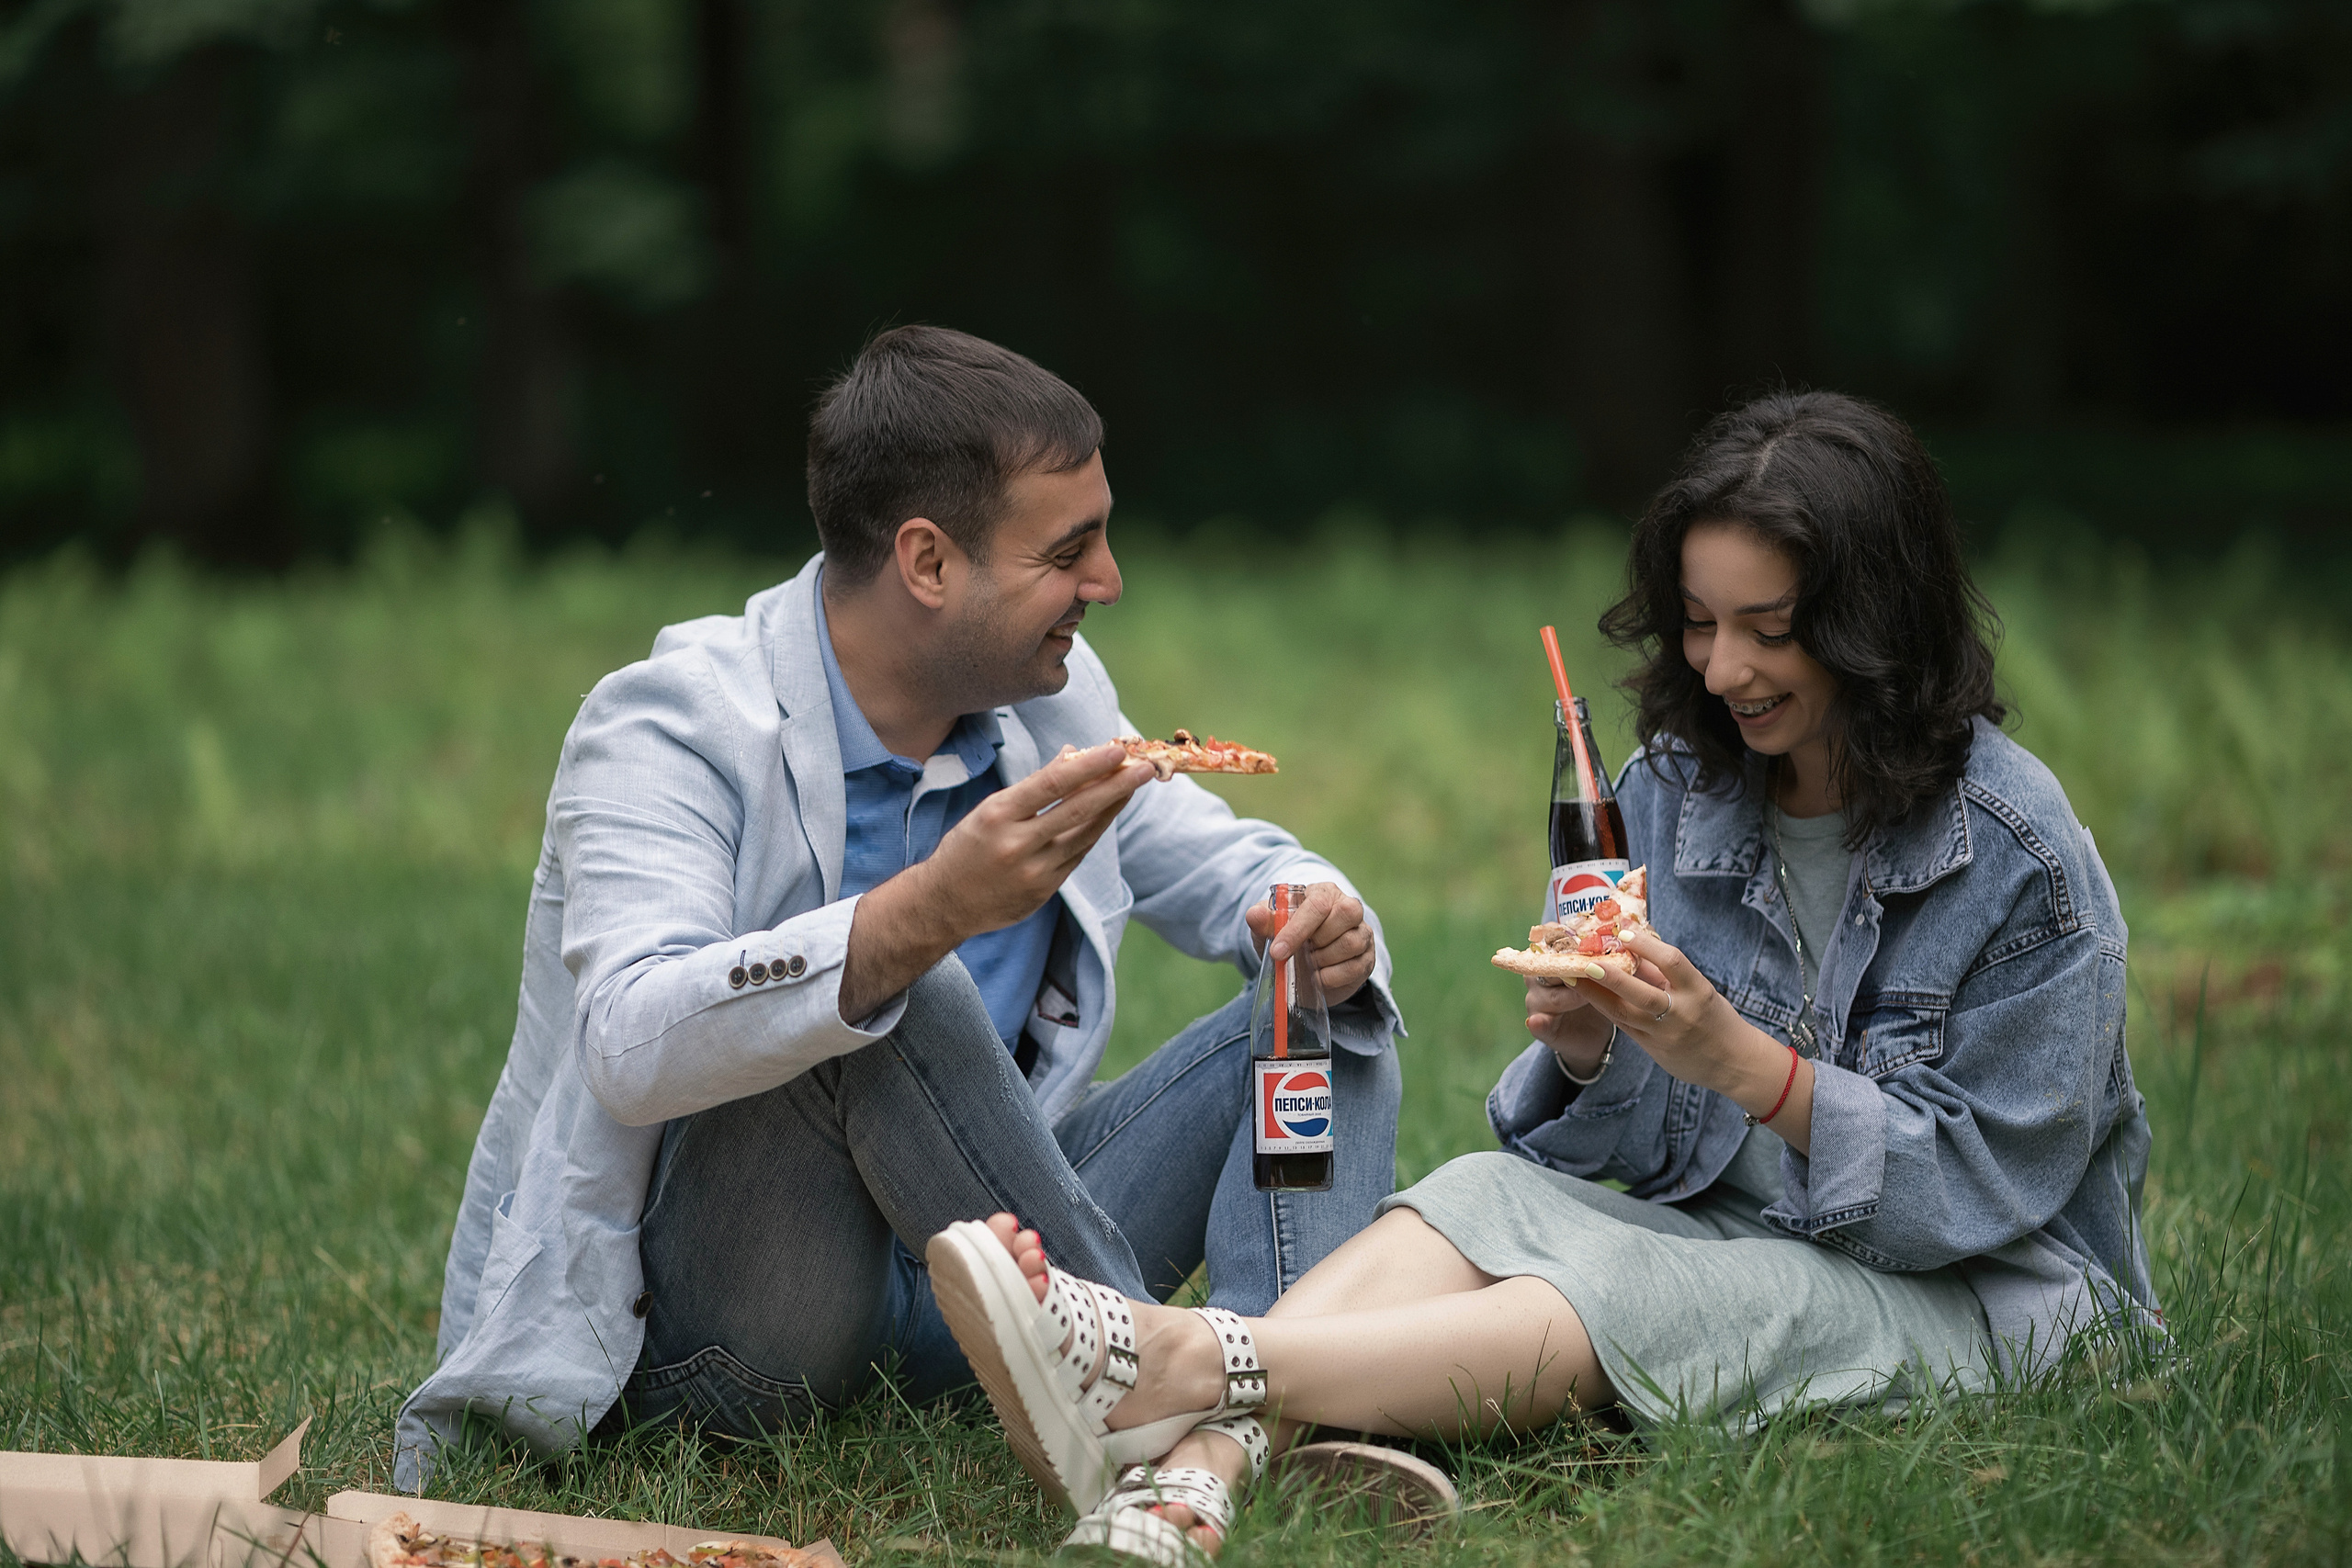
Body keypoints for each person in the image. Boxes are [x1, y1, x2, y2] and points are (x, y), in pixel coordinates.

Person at [925, 389, 2159, 1564]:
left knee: (1629, 1283)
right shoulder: (1681, 785)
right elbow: (1625, 1149)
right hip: (1729, 1219)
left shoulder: (2020, 856)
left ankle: (1178, 1363)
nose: (1725, 669)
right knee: (1474, 1195)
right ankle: (1200, 1475)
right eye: (1700, 621)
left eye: (1771, 630)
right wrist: (1592, 1048)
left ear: (1874, 624)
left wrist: (1738, 1058)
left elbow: (1982, 1189)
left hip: (1980, 1288)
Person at [390, 326, 1406, 1490]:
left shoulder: (1052, 704)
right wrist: (923, 910)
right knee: (891, 975)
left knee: (1325, 1002)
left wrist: (1308, 913)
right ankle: (1165, 1390)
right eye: (1070, 549)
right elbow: (625, 1035)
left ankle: (1254, 1417)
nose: (1108, 582)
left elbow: (1216, 867)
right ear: (927, 562)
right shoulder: (668, 726)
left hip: (986, 1300)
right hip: (728, 1338)